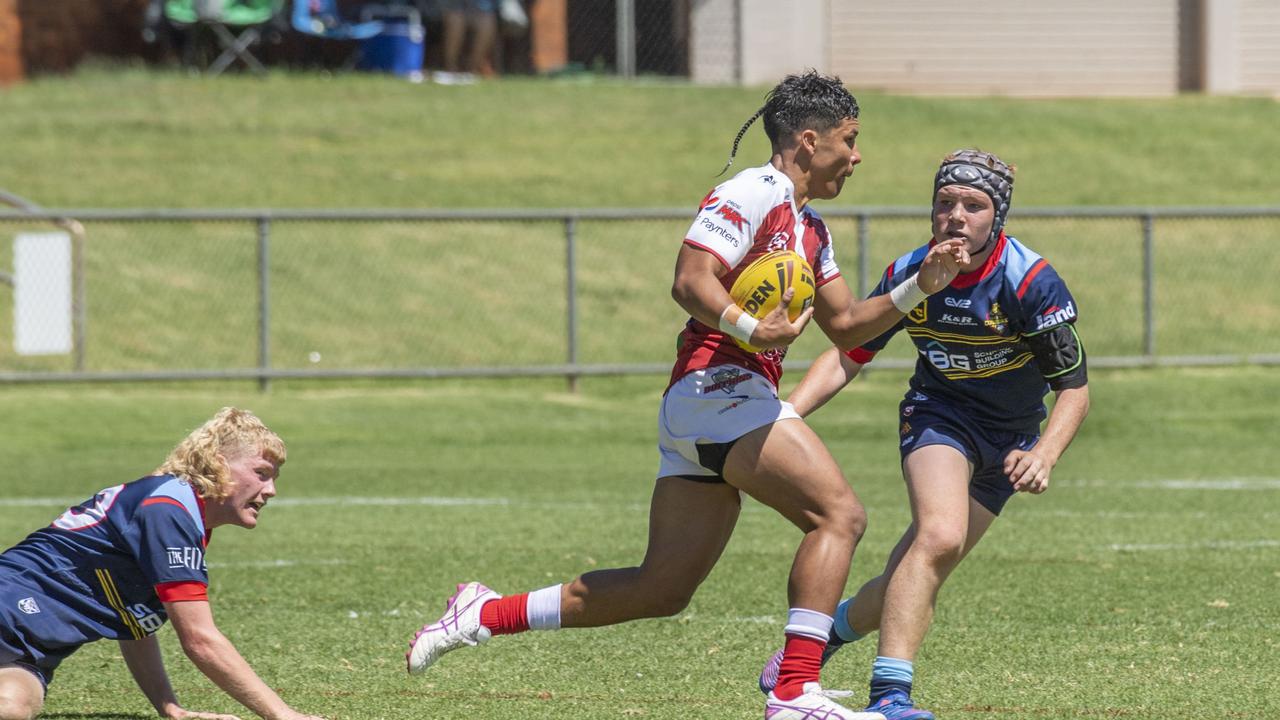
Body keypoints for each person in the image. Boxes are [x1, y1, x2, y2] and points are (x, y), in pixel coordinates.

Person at [404, 71, 970, 720]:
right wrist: (754, 328)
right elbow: (689, 278)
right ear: (810, 141)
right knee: (839, 516)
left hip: (714, 404)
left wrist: (919, 286)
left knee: (662, 587)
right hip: (715, 388)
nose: (858, 155)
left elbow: (844, 325)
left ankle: (484, 612)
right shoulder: (752, 191)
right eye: (851, 139)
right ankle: (793, 691)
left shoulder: (811, 230)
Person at [756, 149, 1091, 719]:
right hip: (940, 418)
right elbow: (849, 354)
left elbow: (1074, 387)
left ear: (997, 217)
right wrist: (788, 412)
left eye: (973, 205)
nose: (956, 216)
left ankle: (828, 637)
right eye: (945, 203)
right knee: (938, 536)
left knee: (911, 574)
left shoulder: (1031, 281)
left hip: (1009, 441)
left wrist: (1046, 452)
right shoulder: (912, 274)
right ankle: (891, 698)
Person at [0, 408, 324, 720]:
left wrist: (169, 707)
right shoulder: (167, 508)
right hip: (7, 612)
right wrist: (282, 714)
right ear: (219, 465)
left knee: (13, 707)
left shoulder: (182, 511)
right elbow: (200, 639)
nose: (271, 490)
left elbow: (133, 620)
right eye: (261, 474)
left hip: (29, 656)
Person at [431, 0, 497, 83]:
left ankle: (472, 69)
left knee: (487, 23)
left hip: (478, 7)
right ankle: (451, 68)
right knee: (455, 21)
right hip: (451, 6)